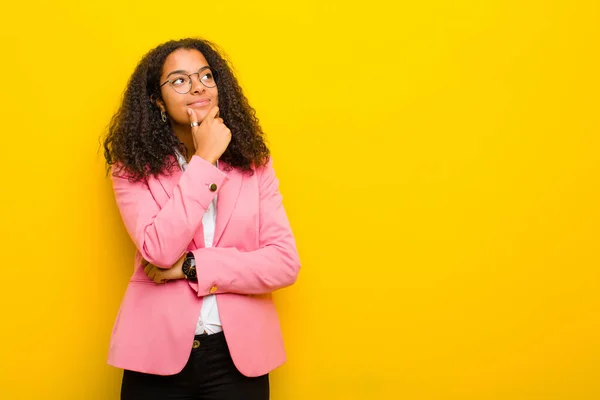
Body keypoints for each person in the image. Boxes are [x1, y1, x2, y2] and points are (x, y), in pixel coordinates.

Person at [102, 37, 300, 400]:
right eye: (179, 80)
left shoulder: (254, 166)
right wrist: (205, 158)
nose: (197, 86)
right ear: (156, 100)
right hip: (155, 357)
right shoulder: (131, 170)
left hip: (238, 359)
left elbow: (284, 263)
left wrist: (192, 265)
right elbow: (159, 250)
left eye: (206, 76)